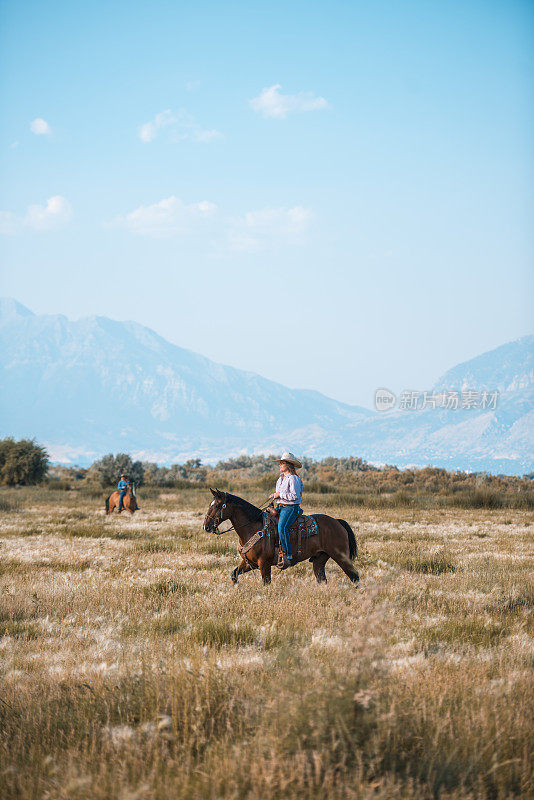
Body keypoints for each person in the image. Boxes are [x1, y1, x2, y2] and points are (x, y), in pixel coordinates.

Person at [269, 452, 303, 570]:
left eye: (282, 463)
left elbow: (295, 496)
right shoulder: (280, 479)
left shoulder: (294, 479)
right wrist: (275, 496)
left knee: (282, 527)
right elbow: (281, 495)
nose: (280, 465)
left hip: (290, 507)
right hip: (280, 506)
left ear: (288, 465)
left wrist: (279, 494)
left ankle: (288, 555)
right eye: (280, 463)